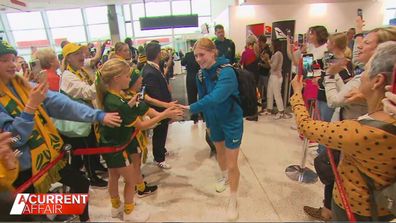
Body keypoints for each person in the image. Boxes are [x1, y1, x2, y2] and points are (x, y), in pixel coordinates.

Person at [0, 40, 121, 222]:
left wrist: (97, 116)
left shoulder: (22, 85)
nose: (11, 64)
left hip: (48, 160)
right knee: (32, 214)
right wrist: (31, 107)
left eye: (12, 59)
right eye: (4, 60)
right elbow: (15, 140)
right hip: (20, 170)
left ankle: (78, 217)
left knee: (80, 183)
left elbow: (61, 104)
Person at [290, 41, 396, 221]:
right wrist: (366, 96)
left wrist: (297, 95)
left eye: (365, 71)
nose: (360, 76)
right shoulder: (388, 116)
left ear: (378, 81)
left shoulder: (362, 131)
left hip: (354, 208)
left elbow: (306, 126)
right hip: (381, 207)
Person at [96, 58, 182, 221]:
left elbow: (124, 111)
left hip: (110, 144)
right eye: (127, 76)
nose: (131, 79)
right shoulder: (117, 102)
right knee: (130, 180)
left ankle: (116, 207)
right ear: (116, 78)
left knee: (113, 176)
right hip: (117, 147)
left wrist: (130, 104)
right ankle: (129, 211)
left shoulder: (112, 97)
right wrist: (164, 114)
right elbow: (141, 125)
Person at [181, 38, 243, 221]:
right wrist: (207, 122)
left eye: (202, 54)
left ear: (213, 52)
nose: (199, 59)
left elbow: (216, 97)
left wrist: (191, 108)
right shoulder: (200, 74)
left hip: (231, 121)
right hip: (214, 121)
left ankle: (233, 198)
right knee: (219, 153)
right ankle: (224, 177)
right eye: (196, 56)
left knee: (232, 164)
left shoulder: (227, 72)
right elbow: (204, 96)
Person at [60, 42, 108, 187]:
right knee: (86, 147)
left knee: (93, 142)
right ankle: (91, 176)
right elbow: (88, 92)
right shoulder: (68, 76)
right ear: (68, 58)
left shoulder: (79, 69)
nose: (82, 56)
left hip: (86, 115)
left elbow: (93, 60)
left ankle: (95, 165)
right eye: (77, 54)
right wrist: (101, 75)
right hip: (77, 120)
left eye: (82, 53)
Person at [141, 42, 173, 169]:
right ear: (158, 53)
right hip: (159, 108)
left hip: (162, 106)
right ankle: (159, 158)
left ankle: (160, 151)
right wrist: (166, 105)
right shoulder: (149, 71)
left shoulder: (154, 67)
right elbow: (153, 95)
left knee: (162, 131)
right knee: (160, 132)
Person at [262, 39, 292, 119]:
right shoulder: (274, 54)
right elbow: (270, 65)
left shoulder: (278, 54)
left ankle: (281, 111)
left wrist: (268, 60)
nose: (270, 46)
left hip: (276, 76)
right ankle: (269, 109)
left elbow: (274, 67)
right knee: (269, 93)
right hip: (272, 75)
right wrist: (265, 60)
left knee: (277, 94)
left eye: (272, 44)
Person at [181, 46, 200, 123]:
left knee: (192, 97)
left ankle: (194, 116)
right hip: (200, 77)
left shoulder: (188, 55)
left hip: (190, 78)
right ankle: (203, 114)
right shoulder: (200, 55)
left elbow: (182, 63)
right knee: (202, 96)